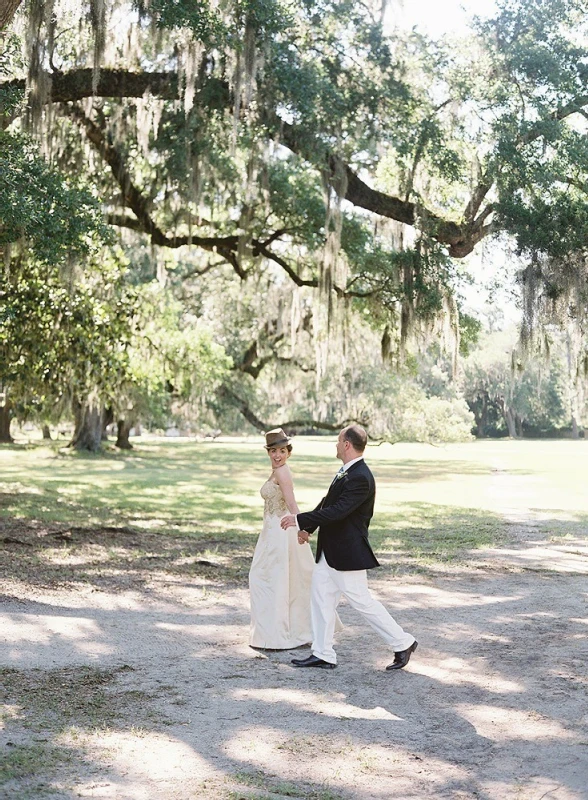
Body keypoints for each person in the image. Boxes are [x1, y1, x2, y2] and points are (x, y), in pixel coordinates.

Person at [280, 424, 417, 670]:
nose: (335, 444)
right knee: (320, 599)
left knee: (362, 601)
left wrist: (300, 519)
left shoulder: (361, 477)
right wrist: (307, 529)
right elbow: (327, 503)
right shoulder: (347, 471)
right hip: (330, 552)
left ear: (346, 445)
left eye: (338, 440)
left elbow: (339, 511)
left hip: (346, 552)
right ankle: (322, 653)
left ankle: (403, 642)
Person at [248, 428, 314, 649]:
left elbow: (292, 504)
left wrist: (302, 528)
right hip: (270, 532)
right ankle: (272, 633)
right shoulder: (277, 471)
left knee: (268, 579)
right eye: (273, 451)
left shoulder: (283, 472)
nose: (277, 455)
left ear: (289, 452)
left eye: (282, 451)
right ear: (268, 452)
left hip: (280, 532)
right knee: (269, 579)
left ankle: (277, 635)